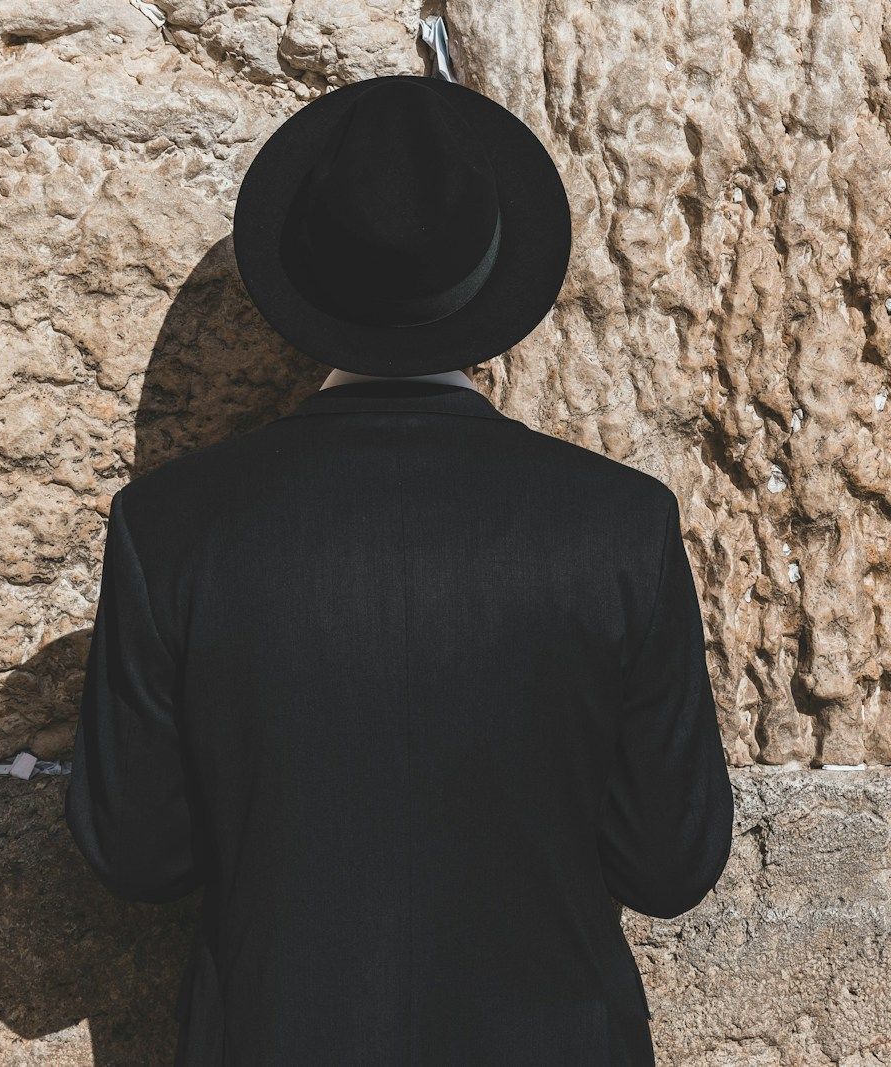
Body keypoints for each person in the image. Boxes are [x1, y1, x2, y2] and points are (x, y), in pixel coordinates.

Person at [65, 73, 734, 1066]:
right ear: (488, 266)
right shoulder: (618, 527)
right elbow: (671, 863)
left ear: (308, 271)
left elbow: (137, 852)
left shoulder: (170, 527)